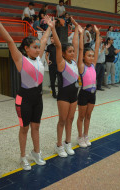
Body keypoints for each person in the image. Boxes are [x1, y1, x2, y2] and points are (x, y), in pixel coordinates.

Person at [0, 10, 51, 170]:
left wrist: (49, 26)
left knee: (36, 127)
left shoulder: (38, 57)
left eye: (38, 47)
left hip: (37, 99)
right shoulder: (20, 59)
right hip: (23, 100)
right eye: (35, 47)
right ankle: (22, 157)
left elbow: (45, 39)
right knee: (24, 128)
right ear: (26, 48)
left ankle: (36, 152)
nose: (38, 49)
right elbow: (9, 40)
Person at [46, 15, 79, 157]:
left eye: (73, 51)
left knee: (70, 119)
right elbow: (59, 45)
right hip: (64, 96)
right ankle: (59, 145)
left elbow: (76, 43)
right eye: (70, 52)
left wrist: (77, 28)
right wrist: (53, 28)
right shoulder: (62, 63)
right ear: (64, 54)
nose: (73, 53)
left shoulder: (74, 62)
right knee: (62, 120)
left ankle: (67, 142)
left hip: (74, 95)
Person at [77, 24, 100, 148]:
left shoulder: (93, 65)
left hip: (93, 94)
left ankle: (86, 135)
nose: (91, 57)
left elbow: (96, 48)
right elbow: (80, 50)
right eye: (89, 55)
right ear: (84, 57)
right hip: (84, 94)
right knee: (81, 116)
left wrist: (97, 33)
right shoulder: (82, 66)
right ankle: (80, 136)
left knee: (88, 116)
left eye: (92, 56)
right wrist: (81, 34)